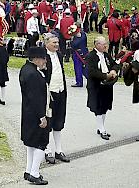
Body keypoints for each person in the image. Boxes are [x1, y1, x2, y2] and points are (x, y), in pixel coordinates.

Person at [19, 46, 51, 185]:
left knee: (31, 142)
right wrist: (42, 116)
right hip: (36, 113)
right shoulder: (33, 75)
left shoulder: (26, 69)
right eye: (43, 58)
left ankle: (28, 170)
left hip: (27, 112)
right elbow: (36, 98)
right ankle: (35, 173)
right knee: (41, 142)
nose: (45, 61)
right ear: (36, 59)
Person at [85, 36, 120, 140]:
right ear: (97, 45)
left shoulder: (106, 55)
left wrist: (114, 70)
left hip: (107, 85)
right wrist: (105, 76)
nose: (106, 45)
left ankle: (101, 127)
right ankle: (102, 129)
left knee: (105, 106)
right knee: (98, 108)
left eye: (106, 43)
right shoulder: (91, 56)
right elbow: (92, 72)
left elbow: (114, 64)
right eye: (103, 44)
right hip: (96, 86)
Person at [43, 33, 70, 164]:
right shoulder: (43, 57)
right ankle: (47, 150)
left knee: (59, 122)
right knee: (48, 122)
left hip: (60, 91)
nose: (56, 45)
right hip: (50, 94)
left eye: (57, 43)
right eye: (54, 43)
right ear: (46, 43)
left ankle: (58, 150)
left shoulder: (59, 55)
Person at [70, 23, 88, 88]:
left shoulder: (80, 35)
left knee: (78, 68)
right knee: (83, 68)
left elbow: (75, 44)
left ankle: (79, 82)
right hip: (82, 52)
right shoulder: (82, 34)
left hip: (79, 53)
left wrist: (72, 40)